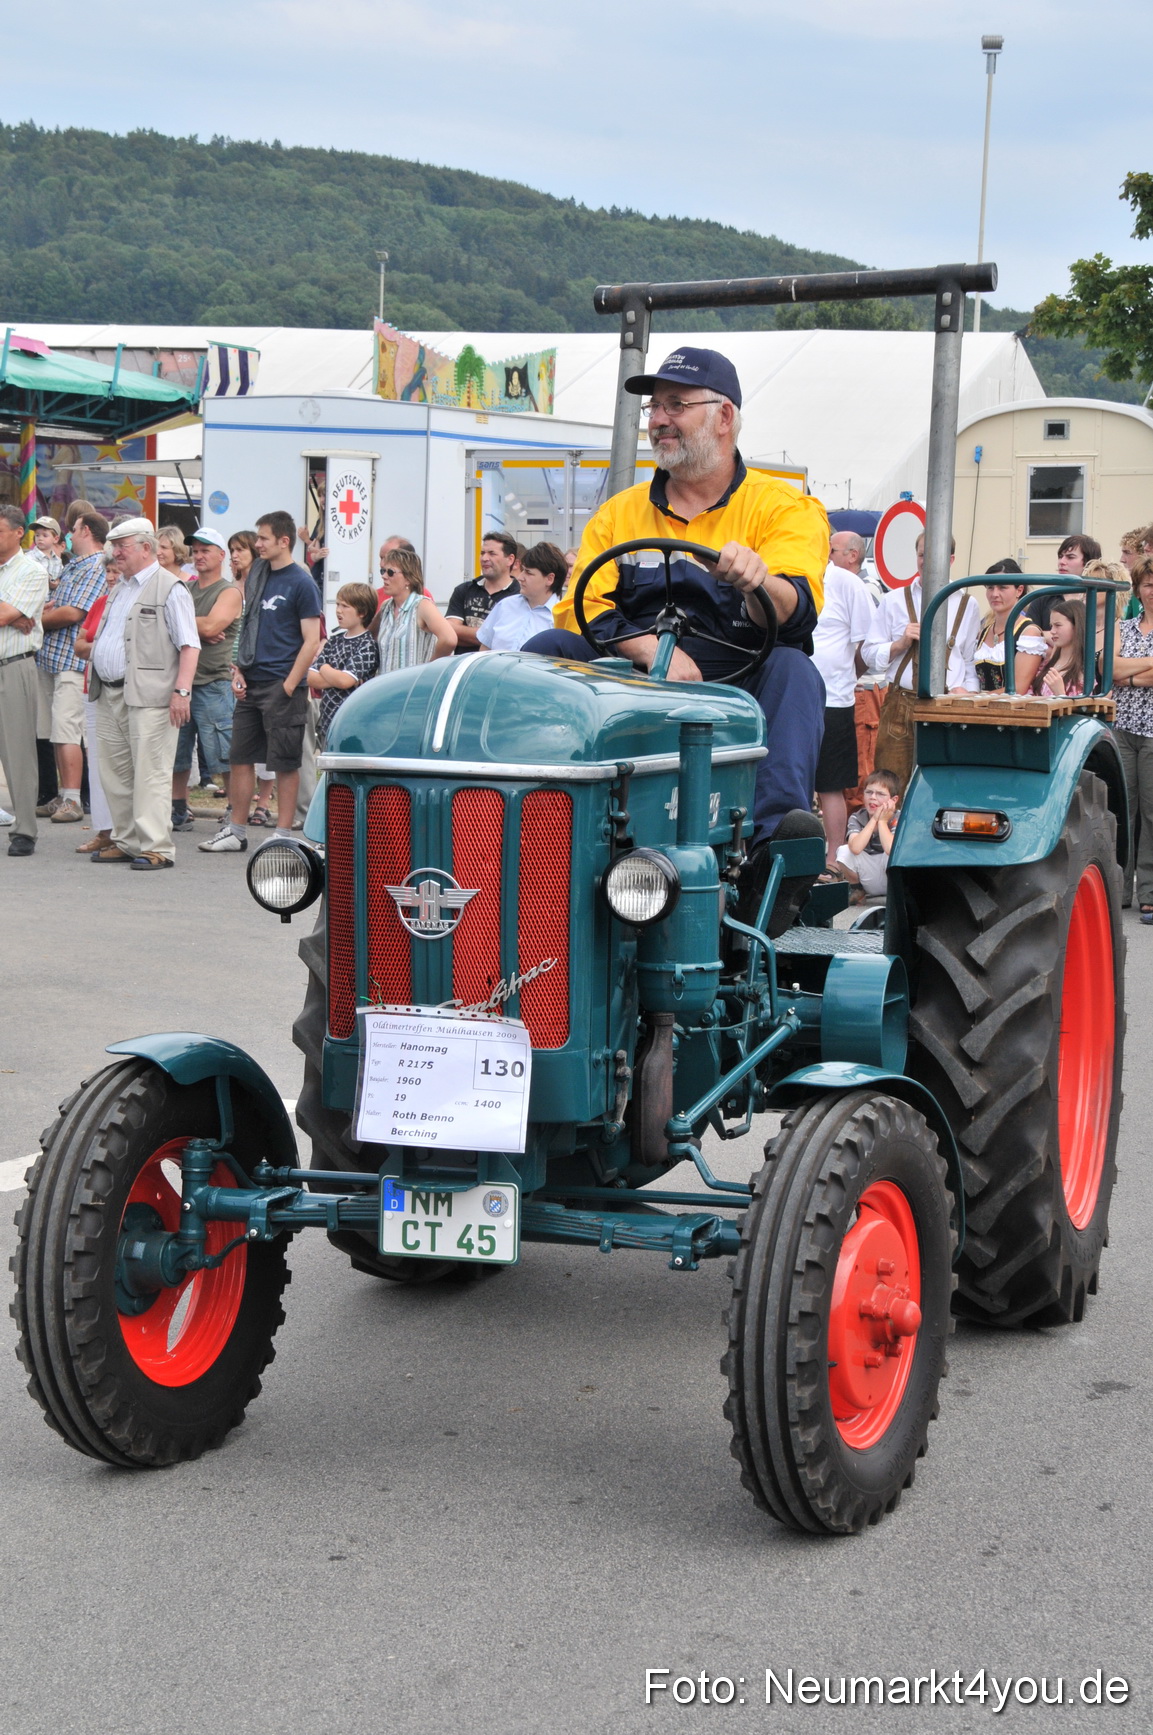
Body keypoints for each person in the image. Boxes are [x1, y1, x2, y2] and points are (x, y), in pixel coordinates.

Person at [523, 346, 830, 931]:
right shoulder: (620, 513)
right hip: (637, 674)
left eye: (675, 405)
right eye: (653, 407)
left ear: (724, 417)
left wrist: (756, 583)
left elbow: (794, 609)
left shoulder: (782, 506)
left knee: (795, 672)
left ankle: (771, 860)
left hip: (739, 677)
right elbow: (579, 609)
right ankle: (532, 831)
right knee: (544, 656)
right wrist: (647, 650)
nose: (658, 419)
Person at [202, 509, 322, 855]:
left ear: (284, 541)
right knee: (239, 757)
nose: (257, 545)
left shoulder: (301, 582)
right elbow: (247, 625)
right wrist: (237, 669)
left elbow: (311, 640)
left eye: (263, 539)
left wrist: (289, 685)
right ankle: (236, 831)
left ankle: (282, 833)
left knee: (284, 762)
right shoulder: (257, 573)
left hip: (283, 684)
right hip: (250, 681)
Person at [88, 517, 200, 870]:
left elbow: (189, 644)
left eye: (122, 546)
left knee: (150, 772)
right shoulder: (121, 587)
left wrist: (182, 691)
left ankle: (157, 847)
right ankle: (127, 840)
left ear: (146, 548)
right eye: (113, 545)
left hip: (151, 696)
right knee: (116, 772)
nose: (115, 552)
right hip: (109, 693)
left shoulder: (170, 587)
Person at [34, 508, 109, 825]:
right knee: (50, 732)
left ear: (87, 532)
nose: (69, 533)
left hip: (71, 661)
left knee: (67, 732)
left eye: (73, 529)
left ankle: (73, 799)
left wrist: (34, 620)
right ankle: (60, 795)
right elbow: (57, 606)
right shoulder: (74, 566)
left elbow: (73, 612)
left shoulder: (96, 566)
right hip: (51, 657)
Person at [170, 527, 243, 833]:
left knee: (223, 753)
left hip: (213, 682)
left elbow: (214, 625)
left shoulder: (229, 591)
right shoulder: (185, 588)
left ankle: (233, 811)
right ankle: (178, 808)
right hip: (183, 682)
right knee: (177, 751)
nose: (198, 556)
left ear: (221, 556)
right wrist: (198, 628)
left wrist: (188, 626)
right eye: (195, 551)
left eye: (205, 550)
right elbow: (170, 620)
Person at [812, 547, 875, 865]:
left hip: (834, 698)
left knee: (830, 785)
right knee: (788, 779)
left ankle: (834, 859)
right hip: (793, 698)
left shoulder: (847, 583)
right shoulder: (785, 573)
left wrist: (847, 676)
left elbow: (867, 642)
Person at [863, 532, 980, 695]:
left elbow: (969, 661)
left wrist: (970, 693)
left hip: (949, 704)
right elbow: (868, 655)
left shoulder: (967, 604)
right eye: (922, 555)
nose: (927, 561)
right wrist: (899, 645)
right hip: (902, 703)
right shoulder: (893, 600)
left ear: (951, 560)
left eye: (935, 555)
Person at [0, 503, 50, 856]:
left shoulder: (31, 570)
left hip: (12, 666)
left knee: (17, 751)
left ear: (19, 533)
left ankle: (24, 830)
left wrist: (10, 615)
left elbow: (5, 613)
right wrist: (9, 614)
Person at [1111, 554, 1153, 919]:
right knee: (1123, 810)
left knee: (1151, 813)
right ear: (1139, 589)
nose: (1152, 591)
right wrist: (1143, 673)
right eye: (1148, 584)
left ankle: (1149, 891)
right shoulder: (1123, 628)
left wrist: (1129, 675)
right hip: (1123, 728)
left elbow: (1122, 670)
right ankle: (1120, 887)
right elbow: (1109, 669)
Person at [308, 583, 380, 746]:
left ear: (362, 612)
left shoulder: (367, 645)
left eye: (345, 606)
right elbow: (310, 678)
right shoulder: (334, 641)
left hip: (353, 724)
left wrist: (324, 667)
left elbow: (344, 681)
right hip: (328, 723)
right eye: (337, 604)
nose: (338, 610)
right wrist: (338, 676)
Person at [73, 573, 115, 854]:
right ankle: (104, 831)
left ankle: (125, 832)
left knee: (120, 766)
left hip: (121, 690)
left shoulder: (133, 600)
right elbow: (78, 646)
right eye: (108, 572)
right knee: (97, 763)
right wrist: (103, 648)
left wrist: (95, 648)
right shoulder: (100, 602)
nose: (111, 577)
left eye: (116, 571)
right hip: (93, 688)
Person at [376, 549, 457, 669]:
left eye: (390, 572)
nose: (384, 576)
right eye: (383, 571)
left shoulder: (422, 605)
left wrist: (428, 669)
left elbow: (449, 639)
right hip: (387, 685)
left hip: (412, 685)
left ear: (408, 578)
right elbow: (368, 636)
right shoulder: (386, 607)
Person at [477, 541, 564, 651]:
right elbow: (485, 649)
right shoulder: (505, 606)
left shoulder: (560, 618)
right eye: (522, 570)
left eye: (528, 572)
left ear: (549, 579)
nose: (520, 577)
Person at [973, 574, 1048, 693]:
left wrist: (974, 699)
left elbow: (1018, 689)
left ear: (1019, 590)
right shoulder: (983, 632)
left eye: (1002, 587)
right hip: (980, 707)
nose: (994, 594)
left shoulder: (1028, 633)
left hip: (1013, 709)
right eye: (990, 587)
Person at [834, 768, 901, 901]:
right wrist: (874, 820)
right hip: (867, 873)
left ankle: (898, 893)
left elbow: (891, 849)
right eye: (869, 792)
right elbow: (856, 848)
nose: (873, 797)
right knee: (843, 851)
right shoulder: (857, 817)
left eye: (880, 794)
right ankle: (857, 888)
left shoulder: (899, 817)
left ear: (893, 800)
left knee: (894, 855)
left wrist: (882, 821)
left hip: (889, 873)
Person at [445, 532, 519, 652]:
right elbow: (448, 631)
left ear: (510, 560)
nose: (484, 558)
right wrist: (489, 636)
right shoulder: (463, 590)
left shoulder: (519, 596)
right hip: (464, 667)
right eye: (482, 553)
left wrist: (462, 632)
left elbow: (508, 640)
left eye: (492, 553)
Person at [1025, 533, 1102, 630]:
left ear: (1089, 562)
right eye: (1060, 556)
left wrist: (1045, 636)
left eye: (1070, 557)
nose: (1062, 562)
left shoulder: (1100, 599)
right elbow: (1029, 636)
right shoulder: (1043, 598)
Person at [1031, 600, 1086, 698]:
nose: (1052, 631)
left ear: (1076, 625)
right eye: (1051, 626)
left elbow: (1082, 710)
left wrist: (1060, 693)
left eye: (1058, 625)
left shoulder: (1084, 671)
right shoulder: (1047, 663)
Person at [375, 535, 417, 609]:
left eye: (391, 572)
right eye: (381, 558)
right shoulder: (376, 597)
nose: (382, 564)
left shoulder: (422, 600)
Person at [29, 516, 66, 589]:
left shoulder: (57, 560)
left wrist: (57, 582)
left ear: (55, 539)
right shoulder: (29, 558)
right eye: (37, 535)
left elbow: (61, 577)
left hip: (52, 598)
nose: (40, 538)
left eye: (45, 535)